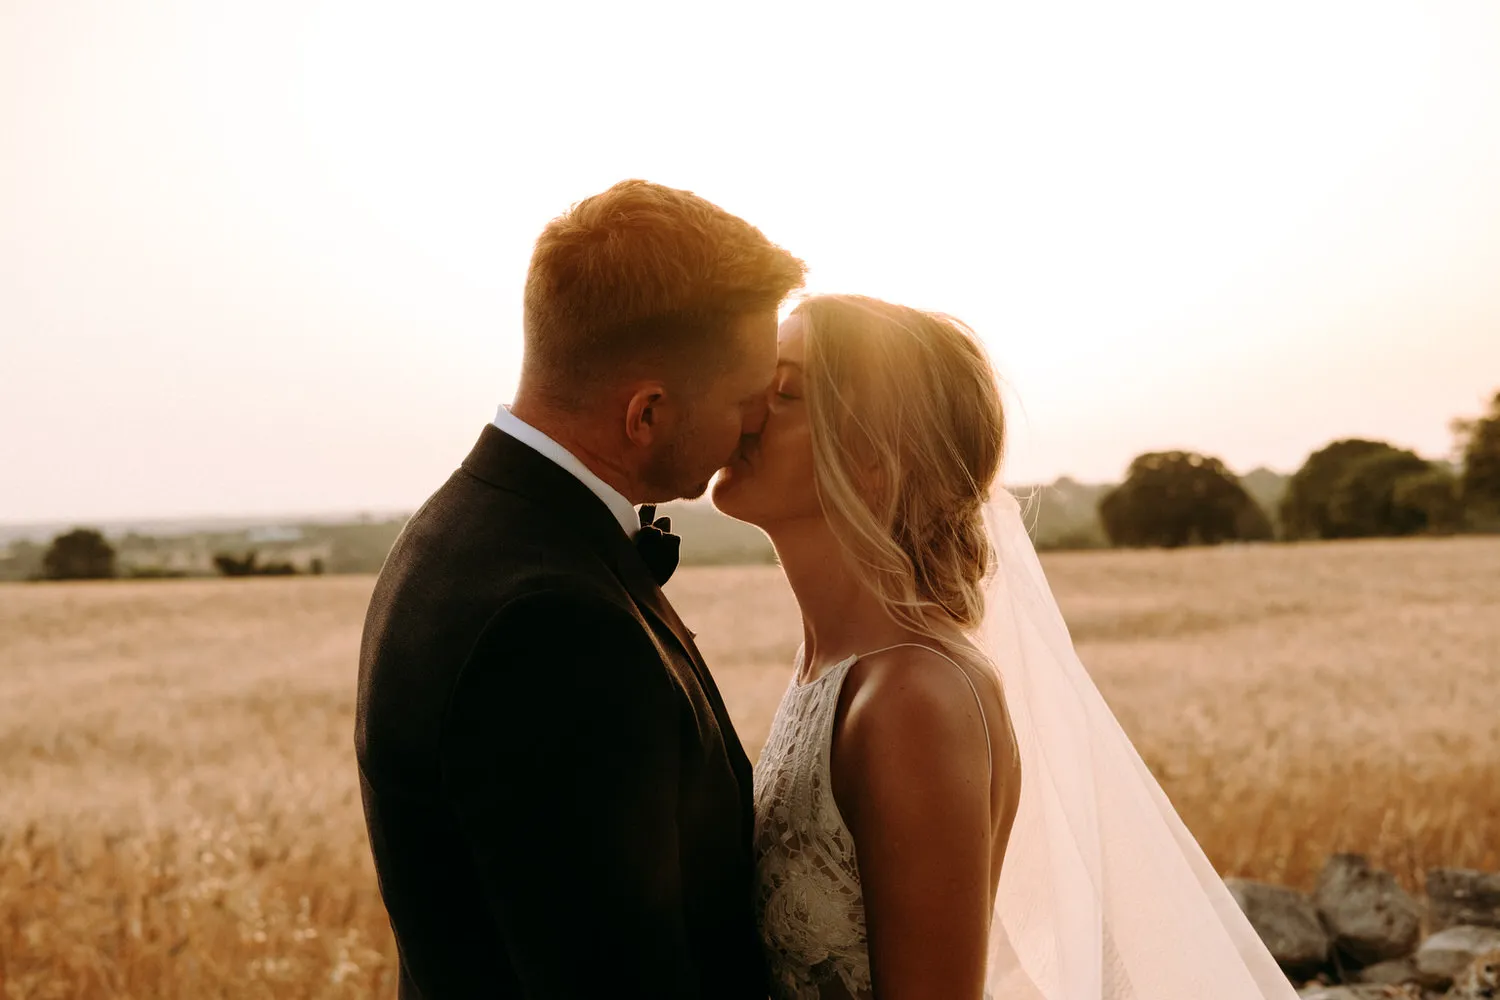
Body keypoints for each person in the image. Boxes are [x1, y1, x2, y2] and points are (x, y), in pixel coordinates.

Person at [714, 294, 1300, 1000]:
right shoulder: (834, 671)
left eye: (785, 392)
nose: (743, 408)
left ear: (873, 457)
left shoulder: (913, 697)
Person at [355, 179, 805, 998]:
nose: (755, 425)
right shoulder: (552, 628)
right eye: (746, 400)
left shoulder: (456, 530)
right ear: (647, 414)